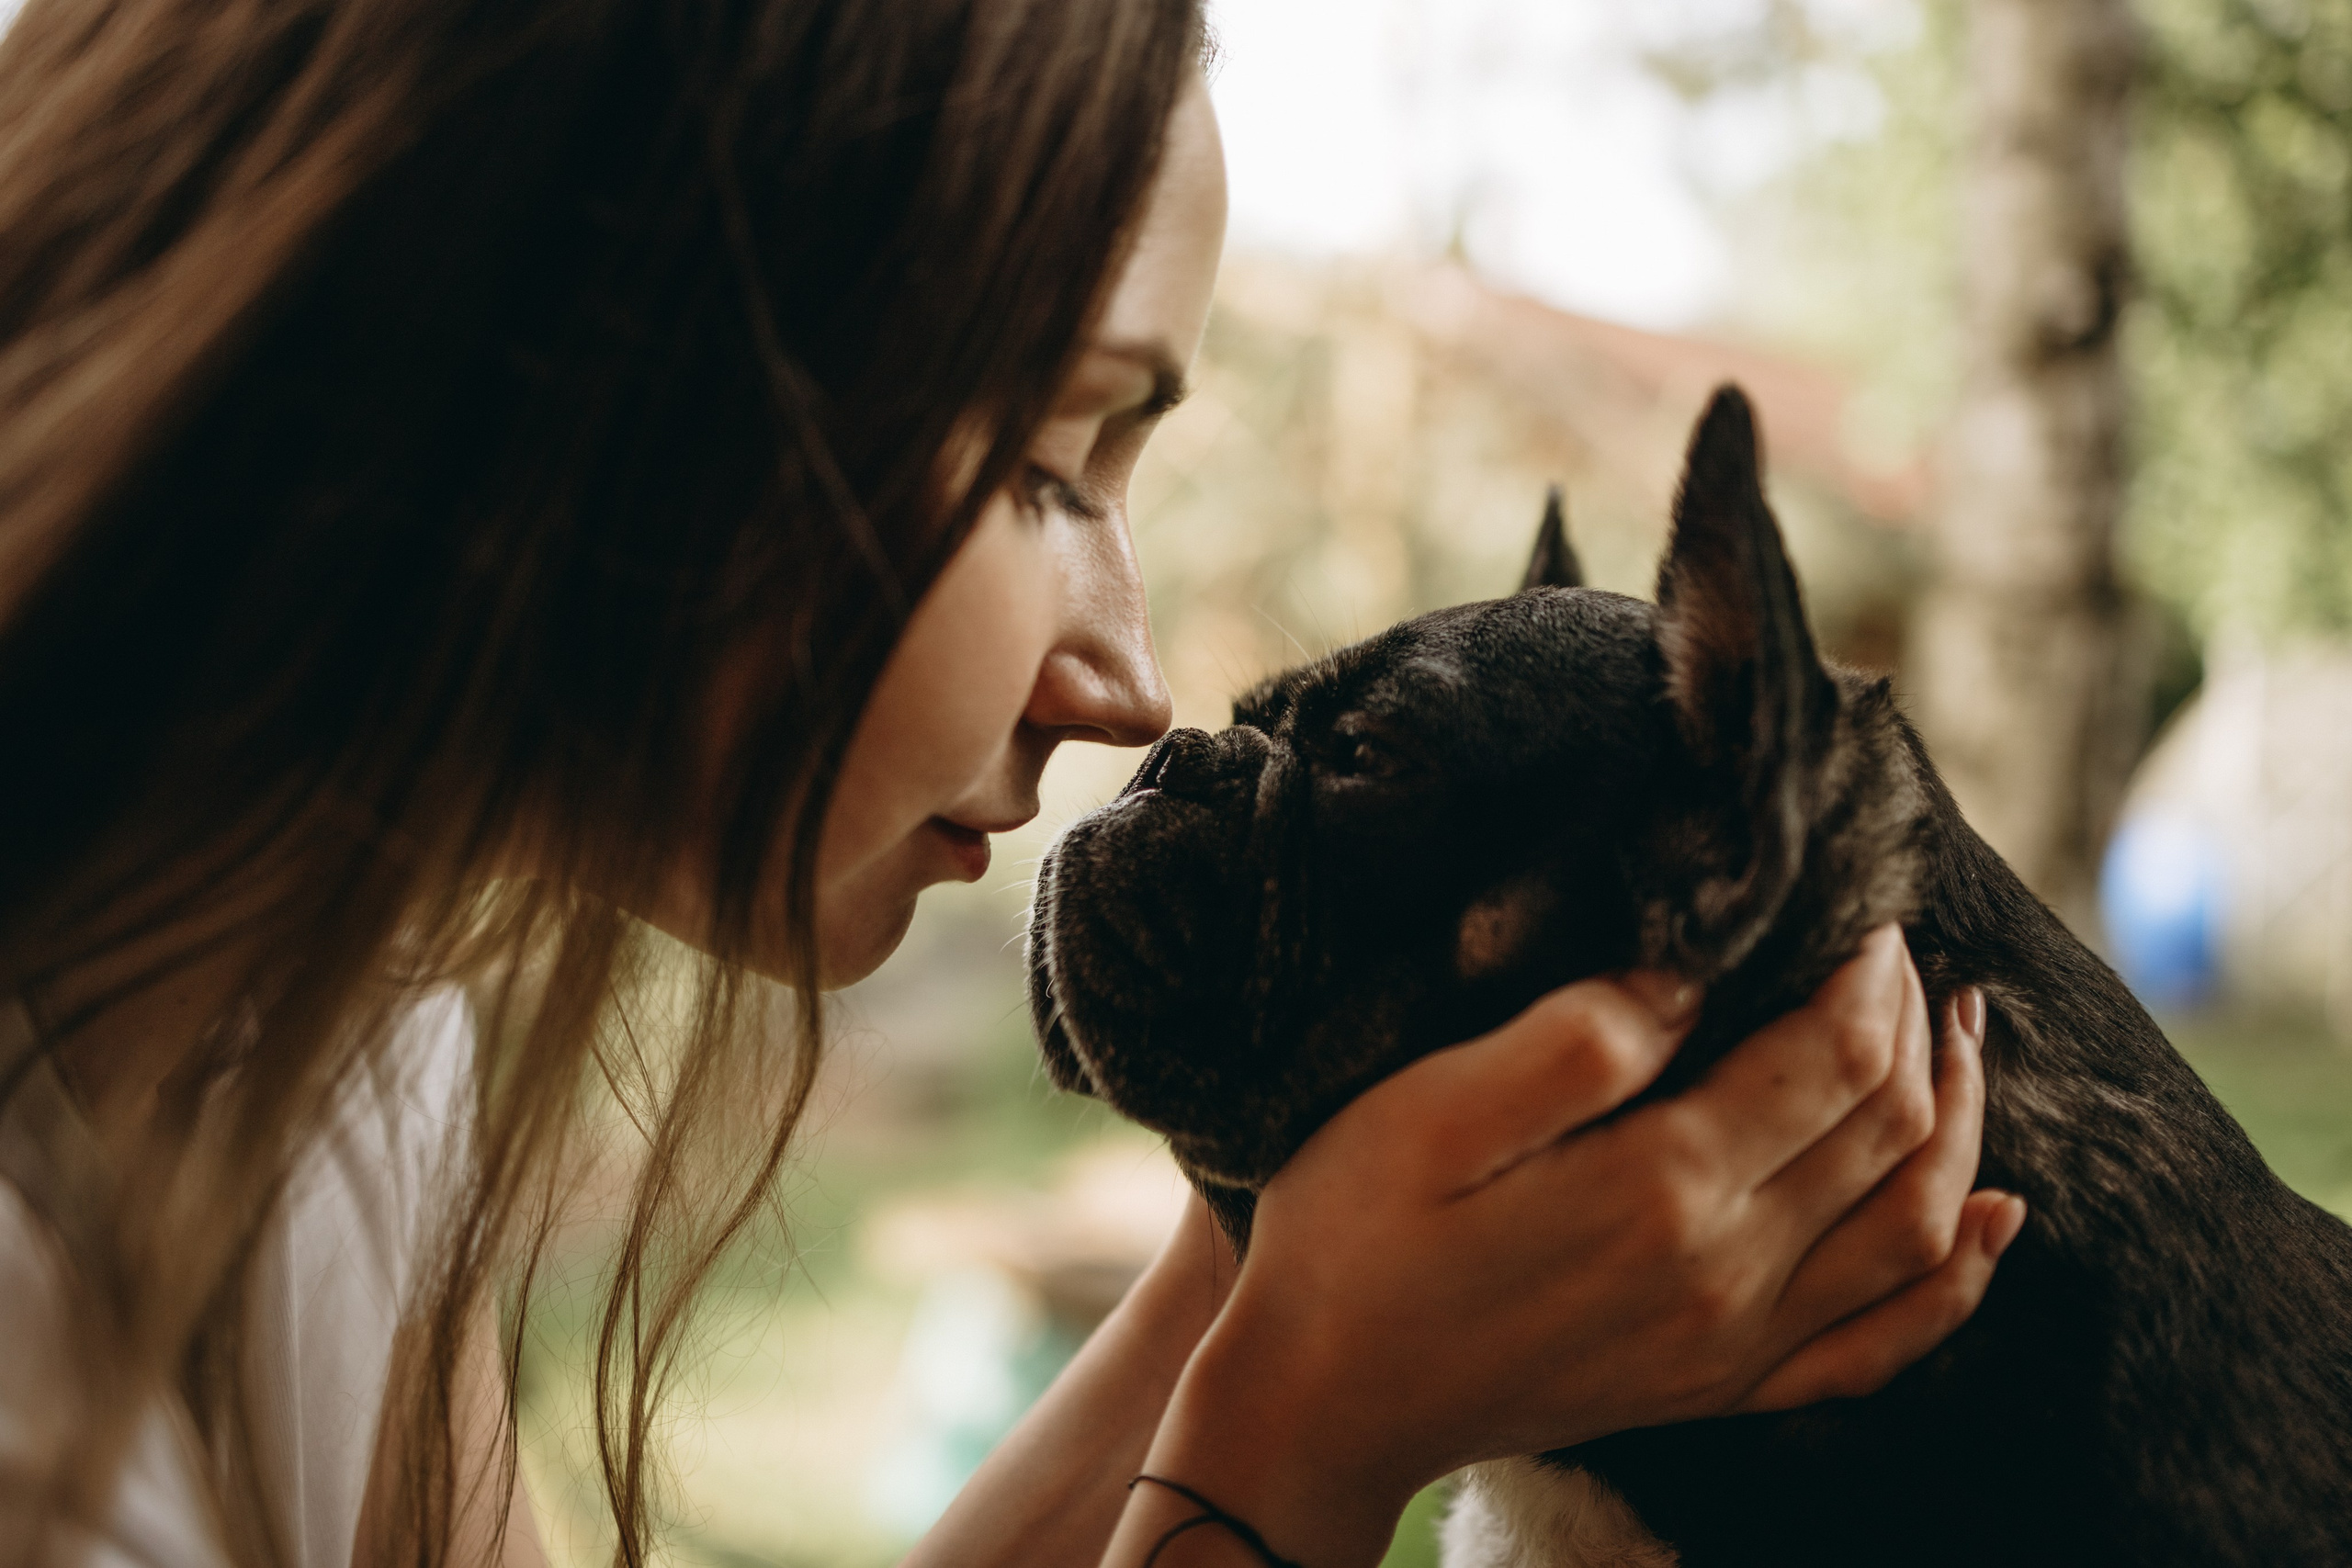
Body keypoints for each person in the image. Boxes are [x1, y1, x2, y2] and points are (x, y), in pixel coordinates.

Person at [0, 1, 2025, 1565]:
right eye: (1052, 460)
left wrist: (1266, 1250)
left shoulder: (311, 1063)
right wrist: (1292, 1443)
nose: (1131, 685)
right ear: (598, 363)